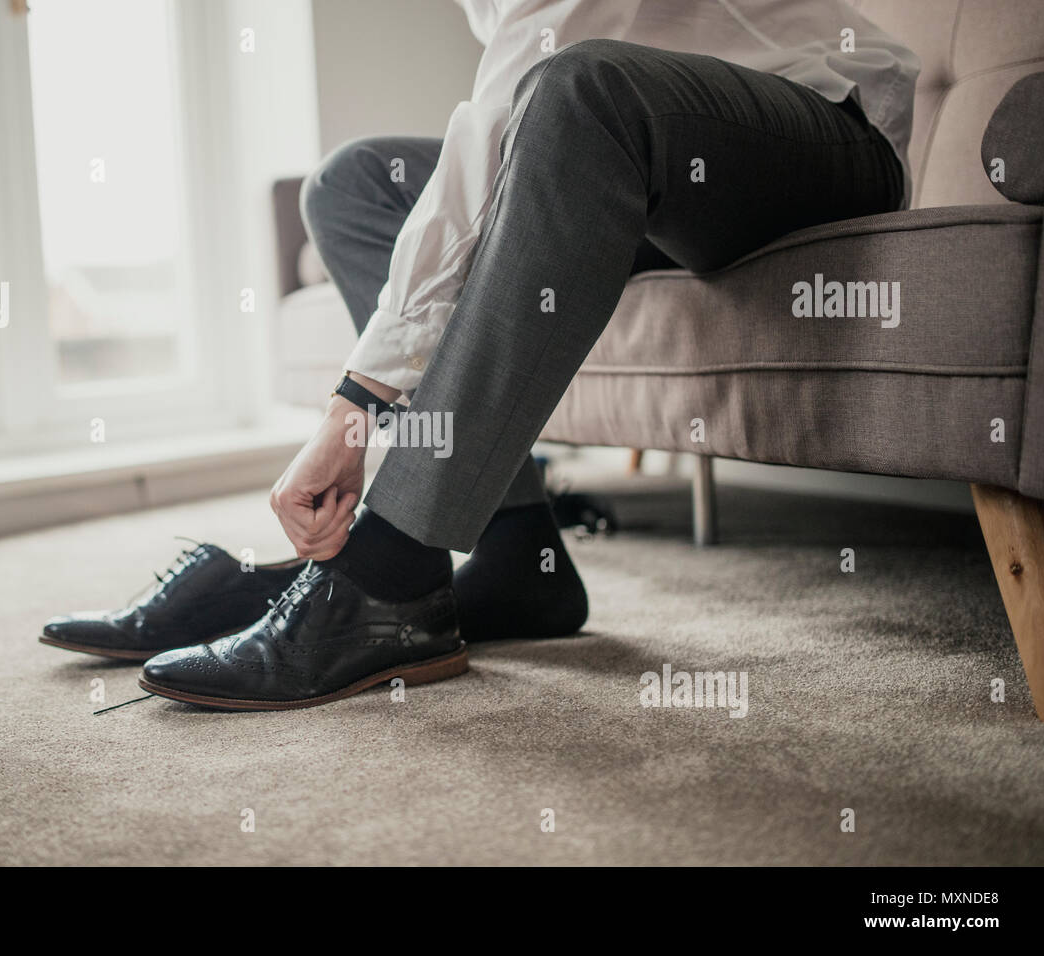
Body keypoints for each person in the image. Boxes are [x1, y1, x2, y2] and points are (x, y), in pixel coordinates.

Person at [50, 0, 918, 711]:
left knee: (578, 90)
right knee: (355, 183)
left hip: (821, 138)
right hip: (659, 179)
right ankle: (515, 553)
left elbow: (507, 126)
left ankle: (386, 576)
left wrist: (355, 406)